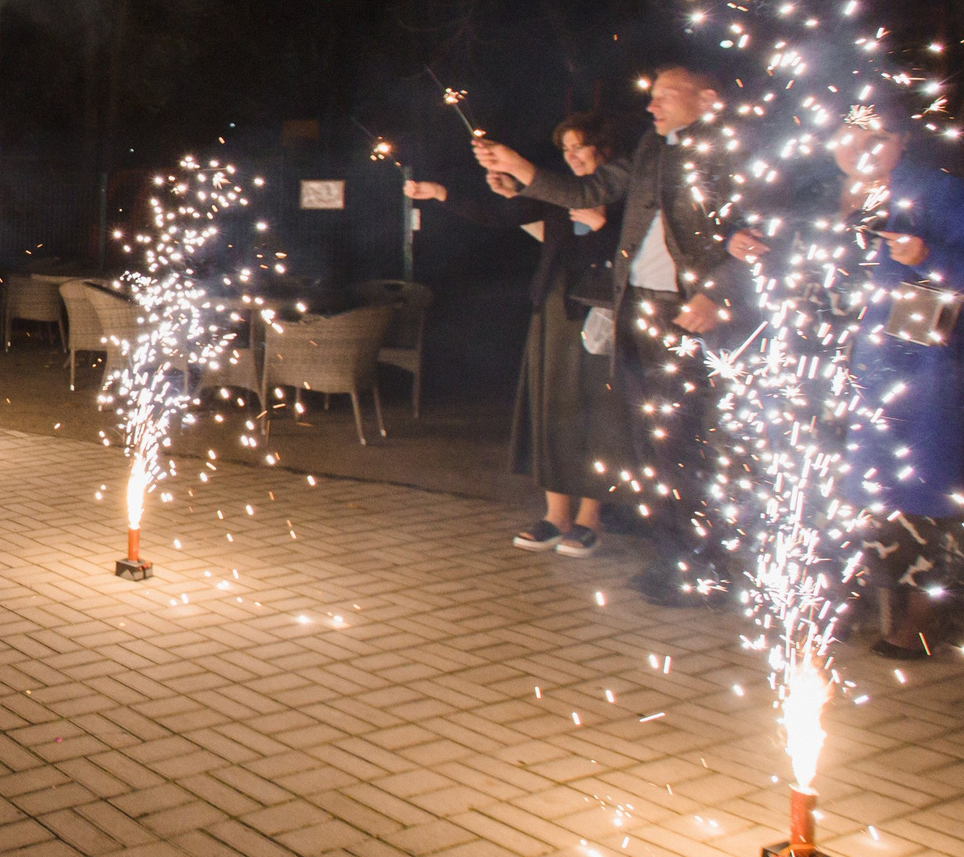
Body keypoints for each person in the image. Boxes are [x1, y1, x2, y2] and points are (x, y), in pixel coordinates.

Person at [475, 64, 746, 606]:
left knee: (690, 441)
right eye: (652, 97)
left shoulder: (733, 155)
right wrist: (522, 169)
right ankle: (673, 559)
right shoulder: (652, 145)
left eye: (667, 95)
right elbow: (592, 189)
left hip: (689, 311)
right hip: (639, 308)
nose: (653, 106)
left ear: (709, 99)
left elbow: (755, 234)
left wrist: (720, 294)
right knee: (650, 442)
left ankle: (706, 565)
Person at [732, 110, 964, 659]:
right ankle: (834, 601)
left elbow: (943, 297)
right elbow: (795, 263)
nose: (860, 147)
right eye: (849, 134)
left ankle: (923, 616)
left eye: (877, 137)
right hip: (820, 356)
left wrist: (927, 258)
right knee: (823, 482)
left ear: (904, 140)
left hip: (906, 360)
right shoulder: (817, 194)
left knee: (908, 488)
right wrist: (748, 246)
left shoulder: (934, 191)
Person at [407, 109, 626, 557]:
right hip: (554, 304)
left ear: (605, 148)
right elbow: (500, 214)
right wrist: (441, 192)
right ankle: (554, 516)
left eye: (579, 146)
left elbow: (632, 251)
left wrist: (601, 222)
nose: (571, 157)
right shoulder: (558, 191)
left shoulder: (626, 193)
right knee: (551, 410)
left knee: (595, 412)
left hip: (602, 310)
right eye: (565, 150)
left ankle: (589, 520)